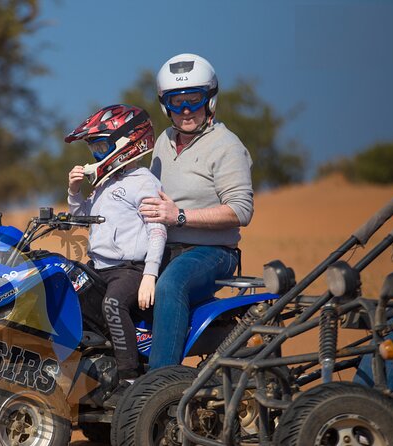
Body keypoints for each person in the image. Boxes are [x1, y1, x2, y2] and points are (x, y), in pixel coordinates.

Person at [138, 53, 254, 369]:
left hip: (212, 252)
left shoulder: (227, 146)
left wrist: (180, 216)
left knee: (170, 284)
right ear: (166, 105)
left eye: (195, 99)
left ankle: (156, 385)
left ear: (210, 100)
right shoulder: (163, 141)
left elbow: (241, 210)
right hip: (163, 247)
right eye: (177, 102)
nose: (186, 110)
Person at [65, 104, 167, 393]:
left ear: (127, 143)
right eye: (94, 148)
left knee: (113, 304)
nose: (97, 155)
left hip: (129, 270)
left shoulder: (144, 181)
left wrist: (150, 275)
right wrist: (73, 192)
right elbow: (81, 217)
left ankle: (129, 377)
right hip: (99, 267)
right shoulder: (104, 183)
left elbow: (157, 229)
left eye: (101, 146)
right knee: (64, 295)